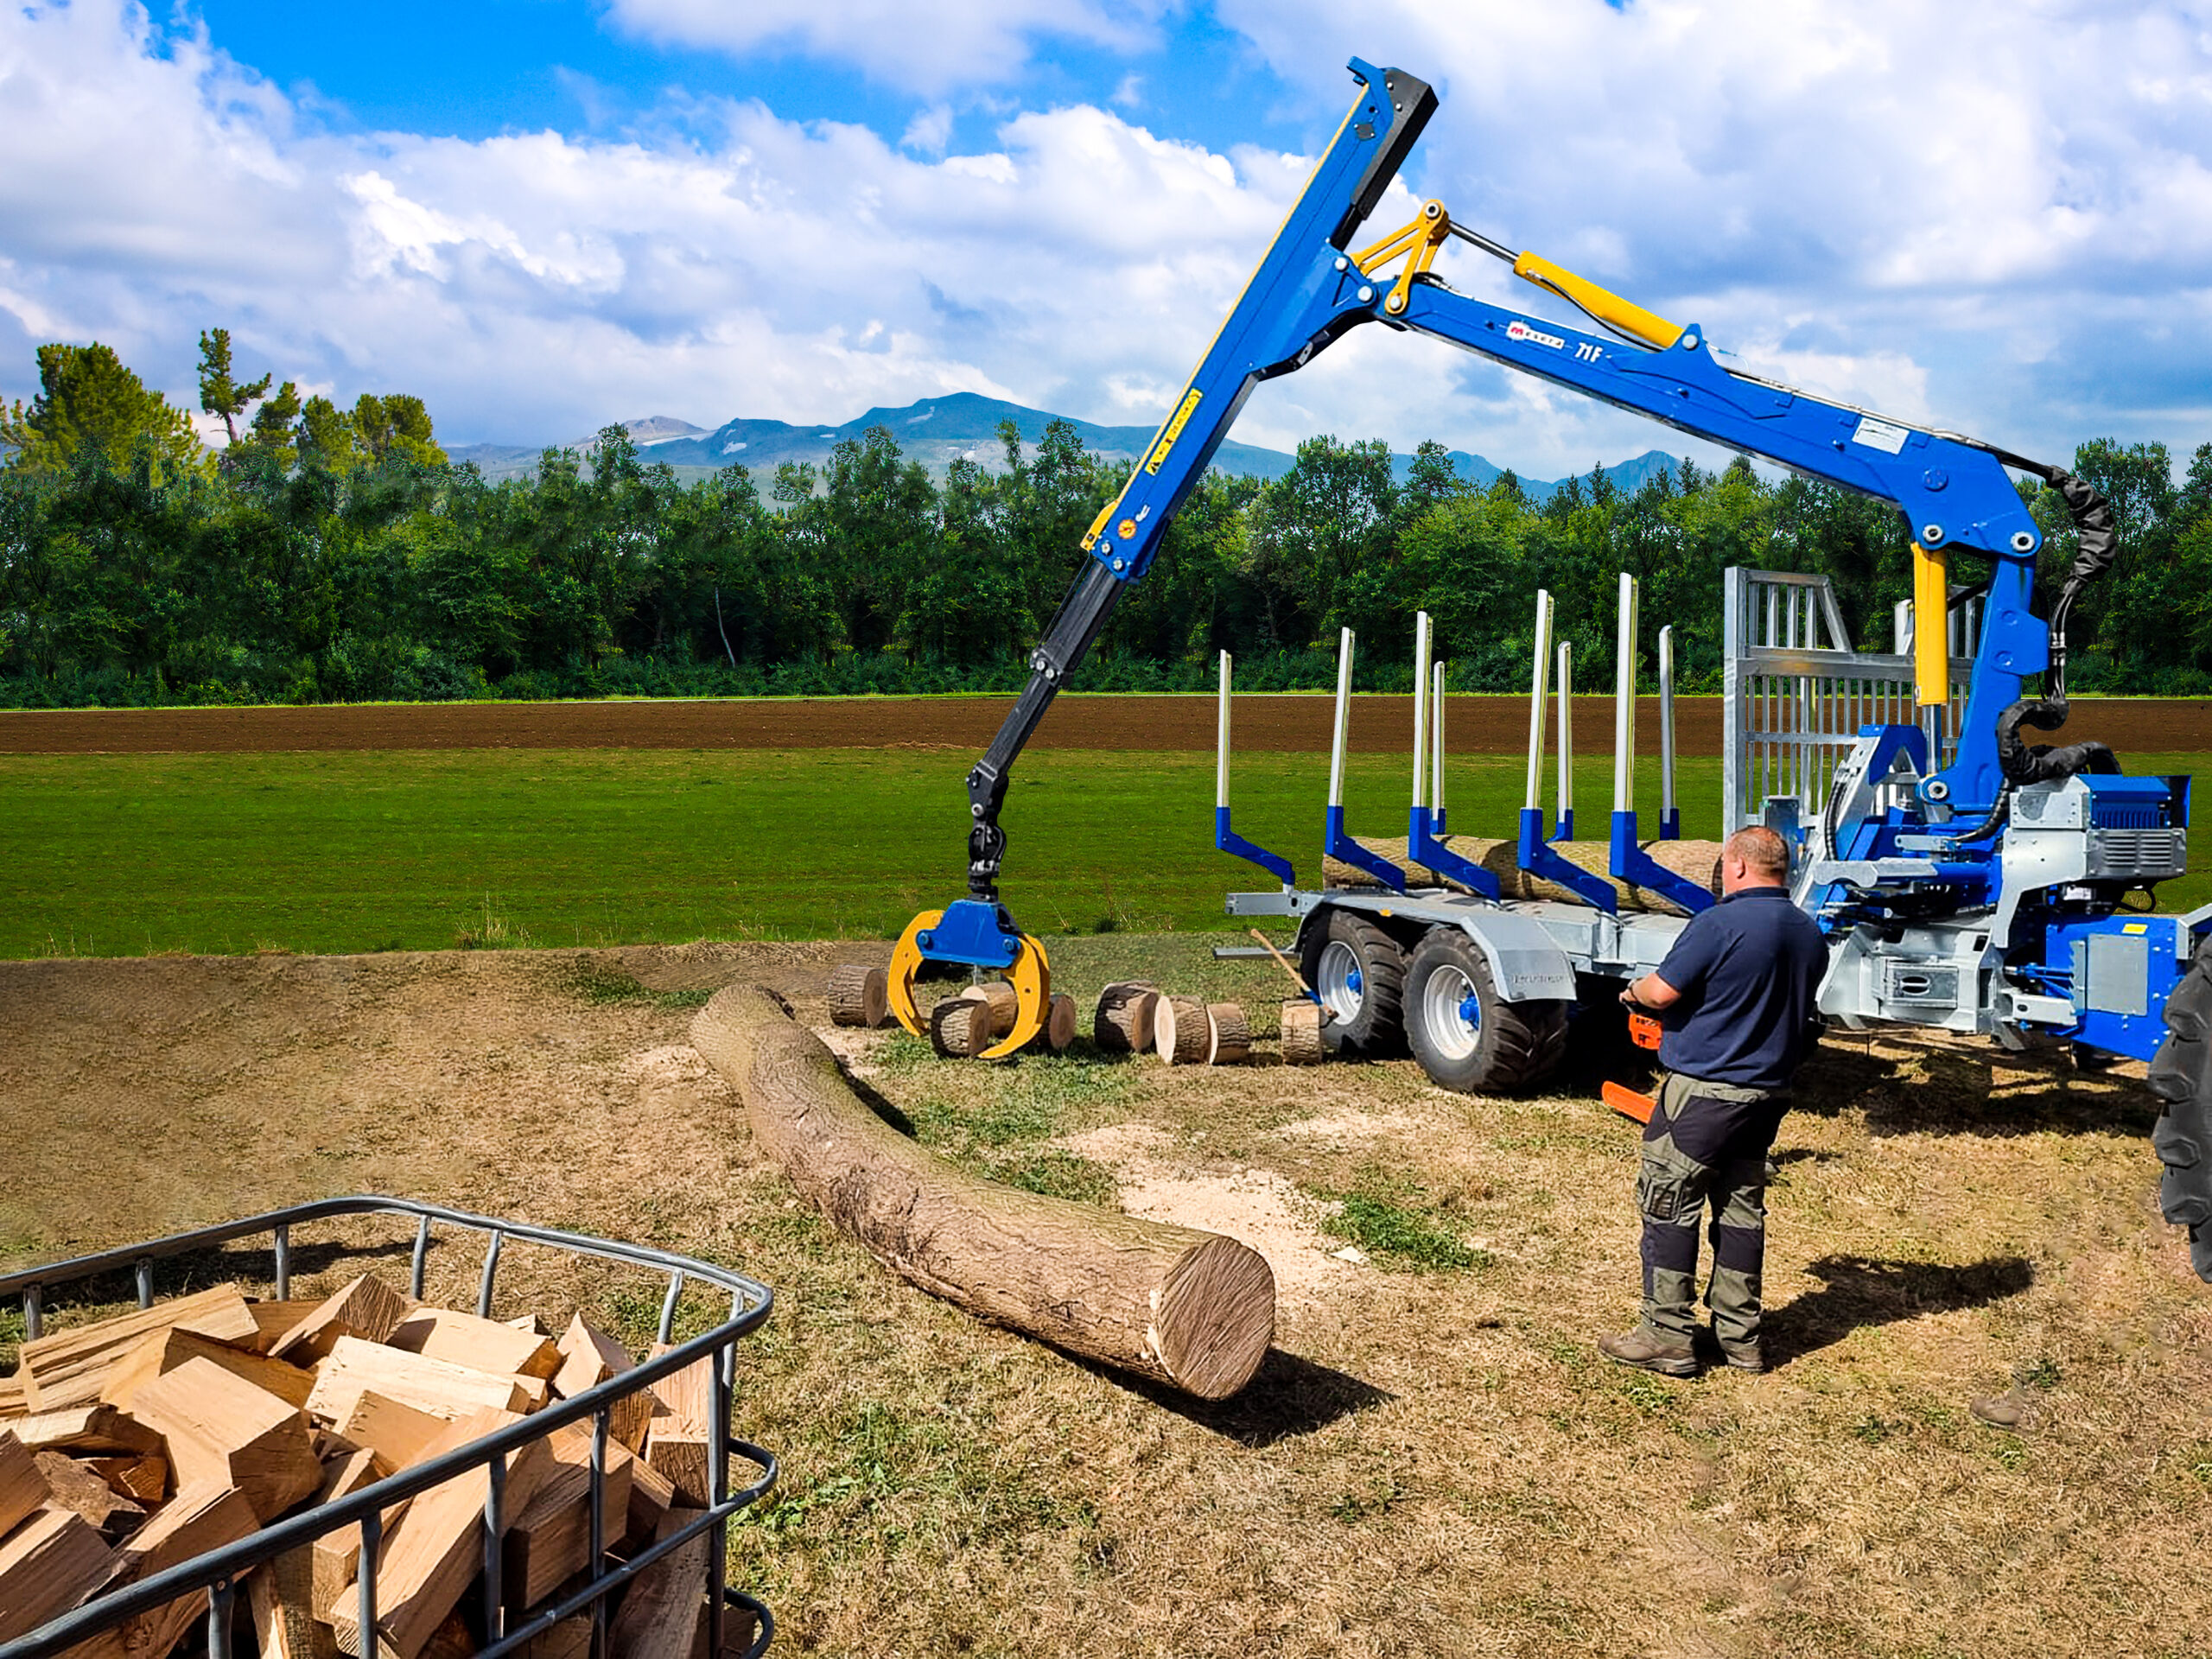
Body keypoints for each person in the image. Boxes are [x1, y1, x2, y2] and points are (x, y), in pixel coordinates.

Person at [1599, 824, 1828, 1377]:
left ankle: (1667, 1335)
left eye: (1725, 865)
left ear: (1741, 867)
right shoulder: (1808, 932)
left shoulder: (1718, 923)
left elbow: (1662, 991)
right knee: (1742, 1209)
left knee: (1668, 1201)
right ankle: (1740, 1338)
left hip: (1704, 1091)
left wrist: (1631, 992)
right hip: (1767, 1094)